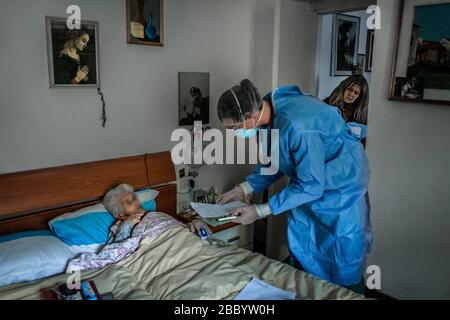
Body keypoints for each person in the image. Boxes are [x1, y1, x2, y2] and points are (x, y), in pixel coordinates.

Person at [217, 79, 371, 293]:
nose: (234, 132)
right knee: (304, 246)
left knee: (341, 259)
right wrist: (242, 189)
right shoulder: (268, 113)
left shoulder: (297, 125)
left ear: (249, 115)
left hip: (341, 192)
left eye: (234, 127)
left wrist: (260, 211)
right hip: (310, 187)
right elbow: (277, 160)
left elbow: (311, 184)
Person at [103, 184, 211, 243]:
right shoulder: (119, 227)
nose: (136, 202)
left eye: (134, 198)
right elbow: (119, 251)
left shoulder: (153, 214)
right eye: (129, 202)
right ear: (120, 214)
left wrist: (192, 225)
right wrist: (126, 224)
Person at [324, 75, 369, 142]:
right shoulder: (327, 103)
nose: (351, 94)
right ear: (343, 88)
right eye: (350, 89)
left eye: (356, 93)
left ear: (359, 97)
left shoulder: (361, 115)